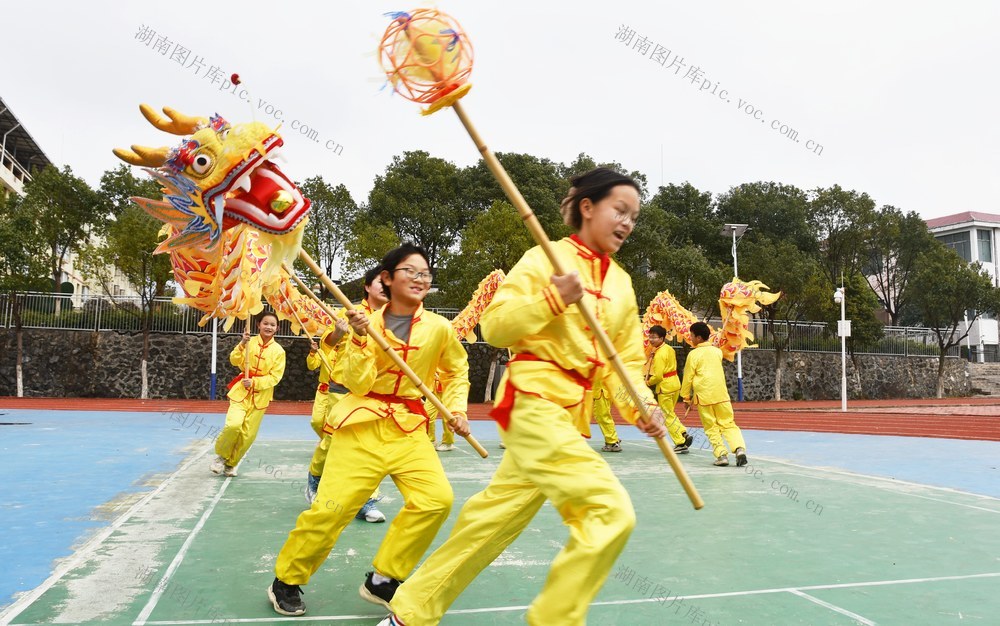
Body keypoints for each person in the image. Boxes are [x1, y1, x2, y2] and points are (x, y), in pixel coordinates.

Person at [381, 168, 667, 626]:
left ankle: (408, 614)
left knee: (491, 520)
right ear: (588, 207)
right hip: (533, 403)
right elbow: (495, 327)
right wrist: (552, 300)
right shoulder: (544, 258)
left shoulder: (622, 285)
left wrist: (642, 407)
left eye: (633, 215)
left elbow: (625, 363)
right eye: (619, 209)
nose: (627, 222)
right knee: (609, 512)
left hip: (569, 419)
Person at [267, 243, 471, 617]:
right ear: (387, 279)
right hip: (361, 425)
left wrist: (456, 408)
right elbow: (356, 383)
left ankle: (384, 579)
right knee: (331, 510)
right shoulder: (366, 324)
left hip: (410, 429)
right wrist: (360, 339)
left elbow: (456, 370)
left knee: (436, 500)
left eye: (425, 273)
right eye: (410, 271)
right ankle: (287, 579)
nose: (420, 278)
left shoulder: (439, 328)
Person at [304, 266, 391, 525]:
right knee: (332, 442)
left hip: (375, 393)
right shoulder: (348, 311)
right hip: (342, 390)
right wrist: (339, 332)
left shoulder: (393, 318)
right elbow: (326, 345)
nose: (386, 288)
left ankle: (366, 501)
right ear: (367, 286)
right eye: (380, 282)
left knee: (370, 448)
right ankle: (316, 479)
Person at [211, 311, 286, 477]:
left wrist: (255, 383)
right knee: (233, 425)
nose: (268, 327)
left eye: (272, 325)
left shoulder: (279, 351)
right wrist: (242, 344)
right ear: (258, 325)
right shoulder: (249, 342)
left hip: (261, 397)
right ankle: (221, 456)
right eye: (265, 323)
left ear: (277, 328)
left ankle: (231, 463)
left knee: (248, 435)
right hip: (241, 392)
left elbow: (275, 377)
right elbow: (233, 359)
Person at [679, 321, 747, 467]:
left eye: (691, 335)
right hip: (721, 394)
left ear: (698, 337)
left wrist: (685, 397)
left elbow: (688, 377)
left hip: (704, 396)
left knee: (711, 427)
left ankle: (721, 455)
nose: (690, 338)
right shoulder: (717, 352)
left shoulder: (693, 354)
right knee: (728, 423)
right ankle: (739, 448)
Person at [645, 324, 694, 453]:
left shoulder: (660, 354)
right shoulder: (668, 349)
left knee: (666, 415)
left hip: (665, 387)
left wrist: (648, 383)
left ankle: (680, 442)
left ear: (662, 338)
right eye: (650, 336)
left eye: (654, 337)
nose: (651, 339)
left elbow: (658, 376)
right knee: (670, 413)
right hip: (674, 383)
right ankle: (683, 432)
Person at [592, 378, 622, 452]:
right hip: (602, 391)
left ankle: (612, 442)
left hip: (602, 391)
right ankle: (613, 439)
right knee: (602, 416)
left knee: (603, 416)